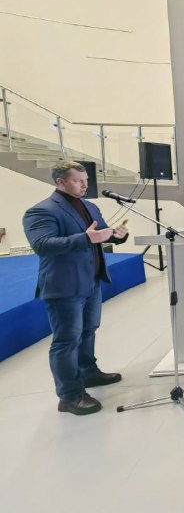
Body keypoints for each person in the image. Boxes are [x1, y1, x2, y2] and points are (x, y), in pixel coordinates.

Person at [22, 161, 129, 415]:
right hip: (64, 286)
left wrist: (118, 235)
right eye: (78, 181)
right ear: (60, 182)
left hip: (90, 281)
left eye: (86, 181)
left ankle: (88, 372)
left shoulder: (90, 206)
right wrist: (86, 238)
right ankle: (69, 396)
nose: (84, 185)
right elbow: (43, 245)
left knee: (89, 330)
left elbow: (101, 234)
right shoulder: (40, 211)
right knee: (67, 341)